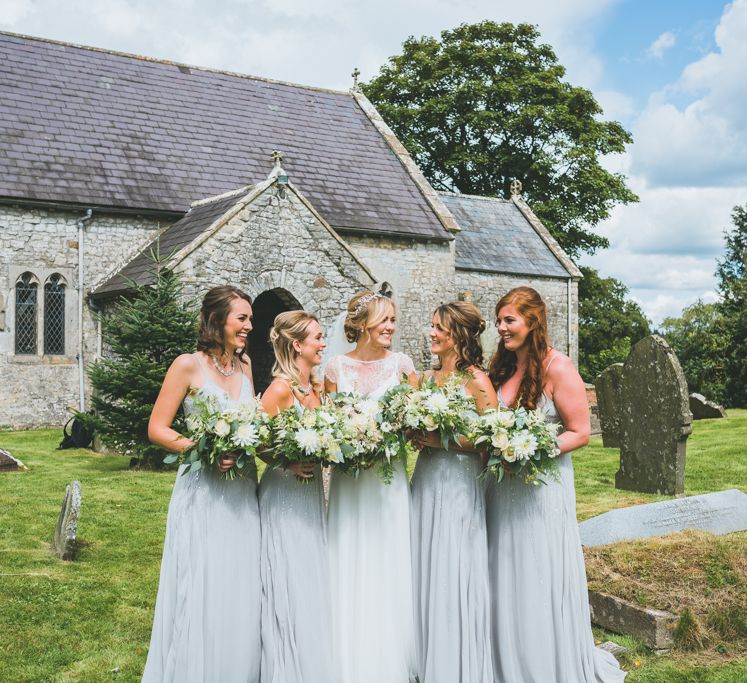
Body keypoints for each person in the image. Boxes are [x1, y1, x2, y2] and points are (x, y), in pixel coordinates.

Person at [486, 286, 626, 682]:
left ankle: (544, 664)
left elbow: (580, 432)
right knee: (503, 570)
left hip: (541, 488)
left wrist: (531, 450)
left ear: (533, 322)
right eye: (499, 321)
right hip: (501, 489)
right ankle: (503, 663)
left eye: (509, 320)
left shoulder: (559, 367)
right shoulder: (502, 367)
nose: (502, 328)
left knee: (537, 570)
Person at [143, 286, 261, 683]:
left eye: (249, 318)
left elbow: (254, 425)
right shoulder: (187, 365)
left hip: (243, 489)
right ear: (217, 321)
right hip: (202, 488)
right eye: (241, 318)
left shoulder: (246, 367)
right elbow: (157, 428)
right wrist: (204, 450)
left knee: (240, 580)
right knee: (202, 579)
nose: (249, 325)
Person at [324, 289, 418, 683]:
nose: (391, 328)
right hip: (349, 478)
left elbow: (416, 420)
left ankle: (392, 654)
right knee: (347, 550)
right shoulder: (334, 369)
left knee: (388, 553)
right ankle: (344, 651)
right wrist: (348, 442)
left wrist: (387, 438)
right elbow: (326, 425)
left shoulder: (402, 365)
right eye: (385, 321)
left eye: (394, 321)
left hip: (387, 477)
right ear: (363, 324)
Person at [410, 301, 496, 683]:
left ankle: (456, 662)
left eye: (438, 328)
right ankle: (425, 654)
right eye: (431, 326)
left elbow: (491, 439)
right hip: (426, 479)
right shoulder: (427, 380)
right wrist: (415, 435)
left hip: (460, 485)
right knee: (424, 557)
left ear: (458, 335)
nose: (431, 333)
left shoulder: (477, 380)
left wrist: (441, 440)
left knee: (453, 561)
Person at [257, 310, 336, 683]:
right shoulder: (279, 390)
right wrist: (286, 465)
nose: (323, 344)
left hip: (313, 493)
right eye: (317, 338)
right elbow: (256, 443)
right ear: (296, 345)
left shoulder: (314, 388)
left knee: (310, 572)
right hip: (285, 492)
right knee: (288, 573)